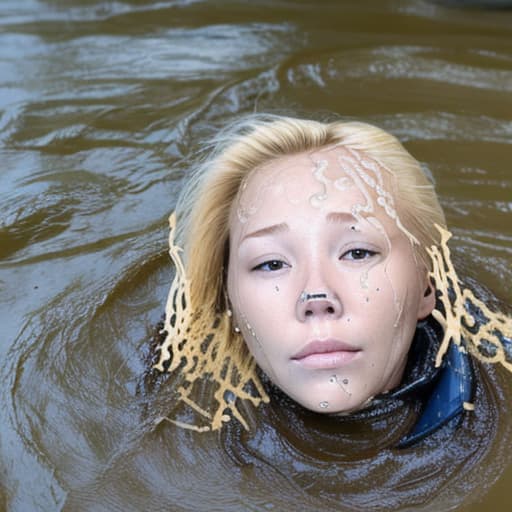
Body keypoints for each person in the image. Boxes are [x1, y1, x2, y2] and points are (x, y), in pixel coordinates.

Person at [152, 114, 512, 449]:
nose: (316, 295)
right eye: (271, 263)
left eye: (357, 253)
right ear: (227, 299)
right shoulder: (160, 427)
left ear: (426, 286)